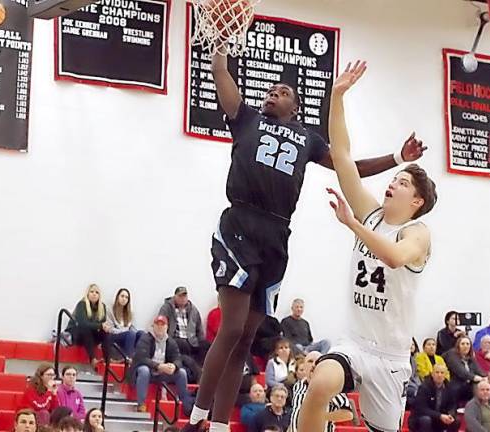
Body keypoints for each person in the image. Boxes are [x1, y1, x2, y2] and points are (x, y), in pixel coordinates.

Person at [182, 50, 425, 432]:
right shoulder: (246, 118)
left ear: (295, 107)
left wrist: (397, 157)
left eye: (282, 91)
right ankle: (197, 415)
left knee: (246, 337)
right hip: (241, 222)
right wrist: (219, 51)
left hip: (278, 233)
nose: (272, 93)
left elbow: (348, 166)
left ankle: (217, 425)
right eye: (270, 90)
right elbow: (221, 78)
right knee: (231, 327)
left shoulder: (307, 138)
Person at [297, 61, 433, 432]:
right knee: (321, 382)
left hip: (390, 357)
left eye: (403, 183)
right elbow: (342, 156)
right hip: (355, 343)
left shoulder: (417, 234)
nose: (393, 183)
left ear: (416, 201)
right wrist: (336, 96)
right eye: (395, 178)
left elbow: (392, 257)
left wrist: (352, 225)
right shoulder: (371, 215)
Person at [131, 315, 194, 415]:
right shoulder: (145, 338)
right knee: (144, 370)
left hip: (163, 373)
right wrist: (158, 366)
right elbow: (142, 358)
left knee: (181, 372)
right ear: (153, 326)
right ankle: (141, 404)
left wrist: (174, 366)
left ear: (167, 327)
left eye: (162, 325)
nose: (160, 327)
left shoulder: (170, 341)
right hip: (149, 371)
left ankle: (186, 404)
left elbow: (178, 358)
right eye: (157, 324)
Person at [290, 351, 353, 432]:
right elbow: (295, 413)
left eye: (317, 361)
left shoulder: (328, 385)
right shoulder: (298, 385)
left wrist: (320, 416)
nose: (313, 364)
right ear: (304, 365)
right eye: (310, 361)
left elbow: (348, 414)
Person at [158, 286, 210, 365]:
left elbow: (199, 329)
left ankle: (201, 367)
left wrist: (201, 340)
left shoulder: (193, 310)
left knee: (206, 345)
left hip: (192, 341)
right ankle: (193, 367)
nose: (182, 298)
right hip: (175, 339)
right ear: (174, 297)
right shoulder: (167, 308)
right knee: (183, 344)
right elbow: (160, 324)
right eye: (180, 296)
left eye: (184, 296)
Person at [408, 363, 458, 432]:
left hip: (439, 418)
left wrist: (450, 414)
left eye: (442, 373)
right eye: (437, 372)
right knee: (426, 420)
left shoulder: (449, 387)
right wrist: (440, 416)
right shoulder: (424, 387)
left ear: (445, 375)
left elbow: (453, 405)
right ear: (432, 374)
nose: (439, 375)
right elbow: (422, 409)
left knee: (455, 421)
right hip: (421, 417)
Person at [68, 284, 108, 369]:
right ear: (87, 294)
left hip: (90, 336)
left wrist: (104, 327)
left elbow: (102, 325)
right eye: (92, 292)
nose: (94, 294)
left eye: (97, 292)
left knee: (106, 332)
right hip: (76, 334)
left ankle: (107, 358)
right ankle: (93, 359)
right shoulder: (81, 304)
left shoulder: (102, 307)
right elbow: (82, 323)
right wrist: (100, 326)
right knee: (85, 329)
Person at [444, 336, 487, 403]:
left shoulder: (470, 356)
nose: (465, 346)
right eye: (463, 344)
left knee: (482, 385)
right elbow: (461, 372)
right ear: (458, 346)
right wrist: (476, 378)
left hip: (467, 383)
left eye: (467, 344)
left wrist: (486, 377)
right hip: (454, 383)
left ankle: (481, 407)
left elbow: (478, 370)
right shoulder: (452, 354)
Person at [105, 288, 142, 361]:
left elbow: (131, 327)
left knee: (141, 334)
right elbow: (110, 329)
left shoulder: (129, 313)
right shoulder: (110, 310)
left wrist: (135, 332)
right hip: (114, 336)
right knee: (130, 334)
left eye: (126, 297)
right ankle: (128, 359)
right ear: (117, 297)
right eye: (122, 296)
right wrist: (124, 332)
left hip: (127, 336)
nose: (124, 299)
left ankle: (140, 359)